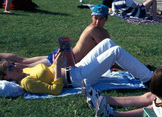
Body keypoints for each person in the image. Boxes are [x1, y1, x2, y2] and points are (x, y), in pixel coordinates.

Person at [0, 38, 153, 95]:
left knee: (106, 43)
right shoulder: (27, 83)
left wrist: (56, 62)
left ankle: (138, 70)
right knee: (115, 51)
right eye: (10, 68)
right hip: (76, 78)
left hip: (73, 68)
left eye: (12, 64)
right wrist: (58, 68)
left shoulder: (25, 70)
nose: (14, 66)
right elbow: (55, 90)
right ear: (7, 77)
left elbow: (49, 70)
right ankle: (150, 79)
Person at [46, 4, 111, 65]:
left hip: (68, 56)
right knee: (38, 66)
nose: (97, 22)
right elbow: (108, 51)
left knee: (38, 61)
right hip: (67, 60)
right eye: (95, 18)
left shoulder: (104, 32)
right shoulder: (93, 30)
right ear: (92, 17)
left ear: (106, 19)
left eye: (100, 19)